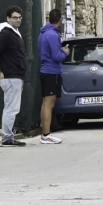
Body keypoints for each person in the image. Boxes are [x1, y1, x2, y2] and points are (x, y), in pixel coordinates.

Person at [0, 5, 27, 146]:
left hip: (15, 76)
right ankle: (7, 137)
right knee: (11, 108)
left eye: (19, 17)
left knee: (12, 107)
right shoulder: (6, 33)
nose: (18, 20)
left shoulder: (14, 33)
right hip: (11, 76)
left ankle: (8, 136)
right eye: (15, 17)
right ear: (8, 18)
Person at [37, 8, 66, 144]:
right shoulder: (53, 35)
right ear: (60, 20)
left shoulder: (43, 33)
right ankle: (46, 134)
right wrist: (65, 52)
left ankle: (45, 133)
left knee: (45, 103)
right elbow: (57, 56)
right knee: (49, 104)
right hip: (51, 71)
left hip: (45, 70)